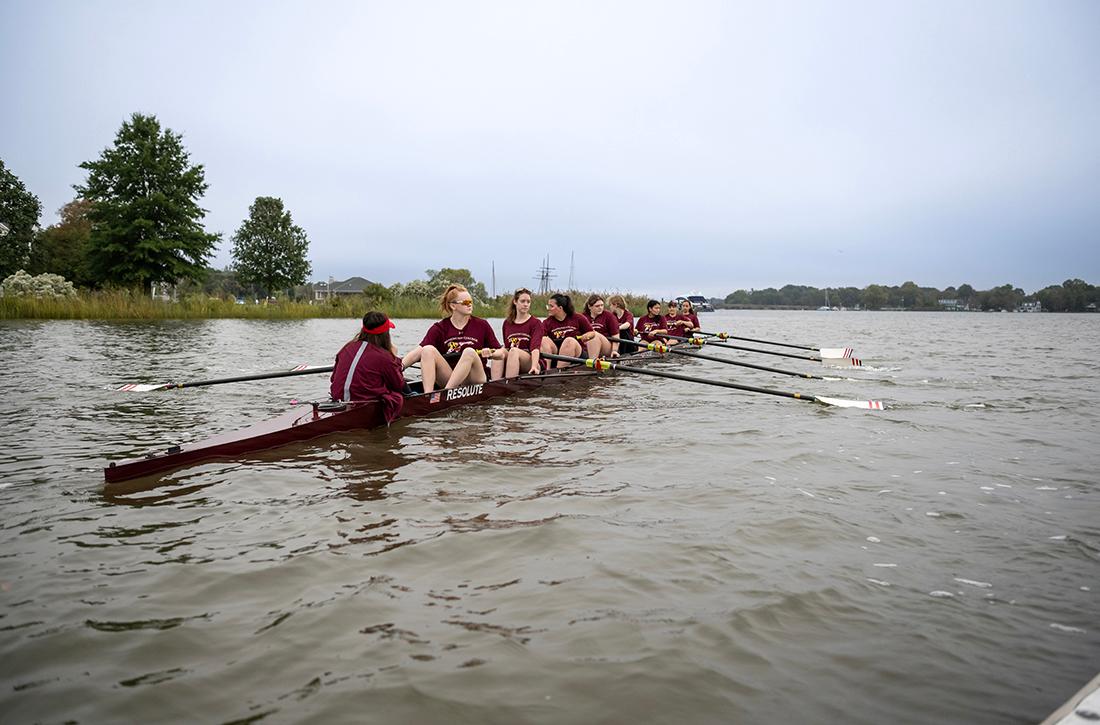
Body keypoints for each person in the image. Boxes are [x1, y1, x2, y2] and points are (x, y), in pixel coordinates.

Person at [401, 284, 502, 390]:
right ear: (453, 306)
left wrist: (492, 353)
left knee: (469, 352)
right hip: (450, 377)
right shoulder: (440, 328)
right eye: (466, 302)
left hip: (475, 379)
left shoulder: (482, 325)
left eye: (471, 302)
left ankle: (445, 393)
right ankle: (428, 395)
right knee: (427, 350)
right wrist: (399, 367)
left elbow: (502, 354)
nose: (470, 305)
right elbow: (417, 353)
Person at [330, 311, 406, 423]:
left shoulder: (346, 348)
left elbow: (333, 379)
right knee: (396, 397)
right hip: (362, 404)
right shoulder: (385, 357)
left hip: (338, 399)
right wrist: (394, 357)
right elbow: (398, 385)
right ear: (385, 334)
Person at [492, 287, 543, 380]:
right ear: (515, 302)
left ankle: (510, 384)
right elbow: (507, 346)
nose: (526, 304)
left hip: (531, 361)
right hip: (513, 357)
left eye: (528, 302)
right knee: (500, 351)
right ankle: (495, 383)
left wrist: (534, 366)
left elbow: (535, 348)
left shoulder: (536, 323)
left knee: (514, 351)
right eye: (523, 301)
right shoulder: (507, 323)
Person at [540, 293, 601, 367]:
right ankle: (547, 371)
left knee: (569, 341)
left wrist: (586, 336)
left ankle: (560, 372)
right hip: (557, 353)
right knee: (544, 339)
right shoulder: (547, 322)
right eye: (548, 305)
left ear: (560, 308)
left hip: (577, 353)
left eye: (551, 306)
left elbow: (592, 333)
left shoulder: (578, 317)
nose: (548, 308)